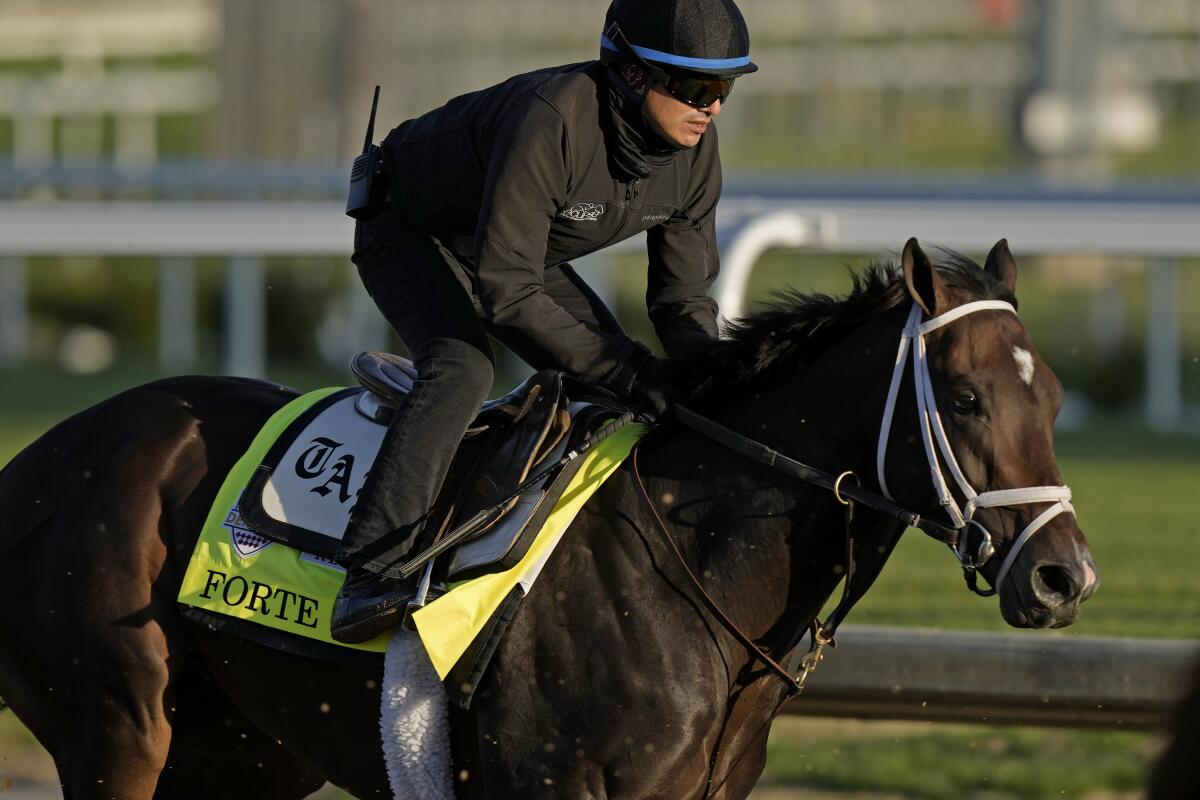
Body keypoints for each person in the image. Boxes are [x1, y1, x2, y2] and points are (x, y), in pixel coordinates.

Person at [332, 0, 757, 643]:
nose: (714, 106)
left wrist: (720, 388)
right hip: (410, 229)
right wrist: (634, 371)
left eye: (725, 87)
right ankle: (370, 571)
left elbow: (682, 304)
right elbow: (506, 294)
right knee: (462, 368)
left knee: (619, 375)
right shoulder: (551, 119)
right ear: (634, 75)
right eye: (697, 86)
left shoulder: (696, 156)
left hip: (504, 248)